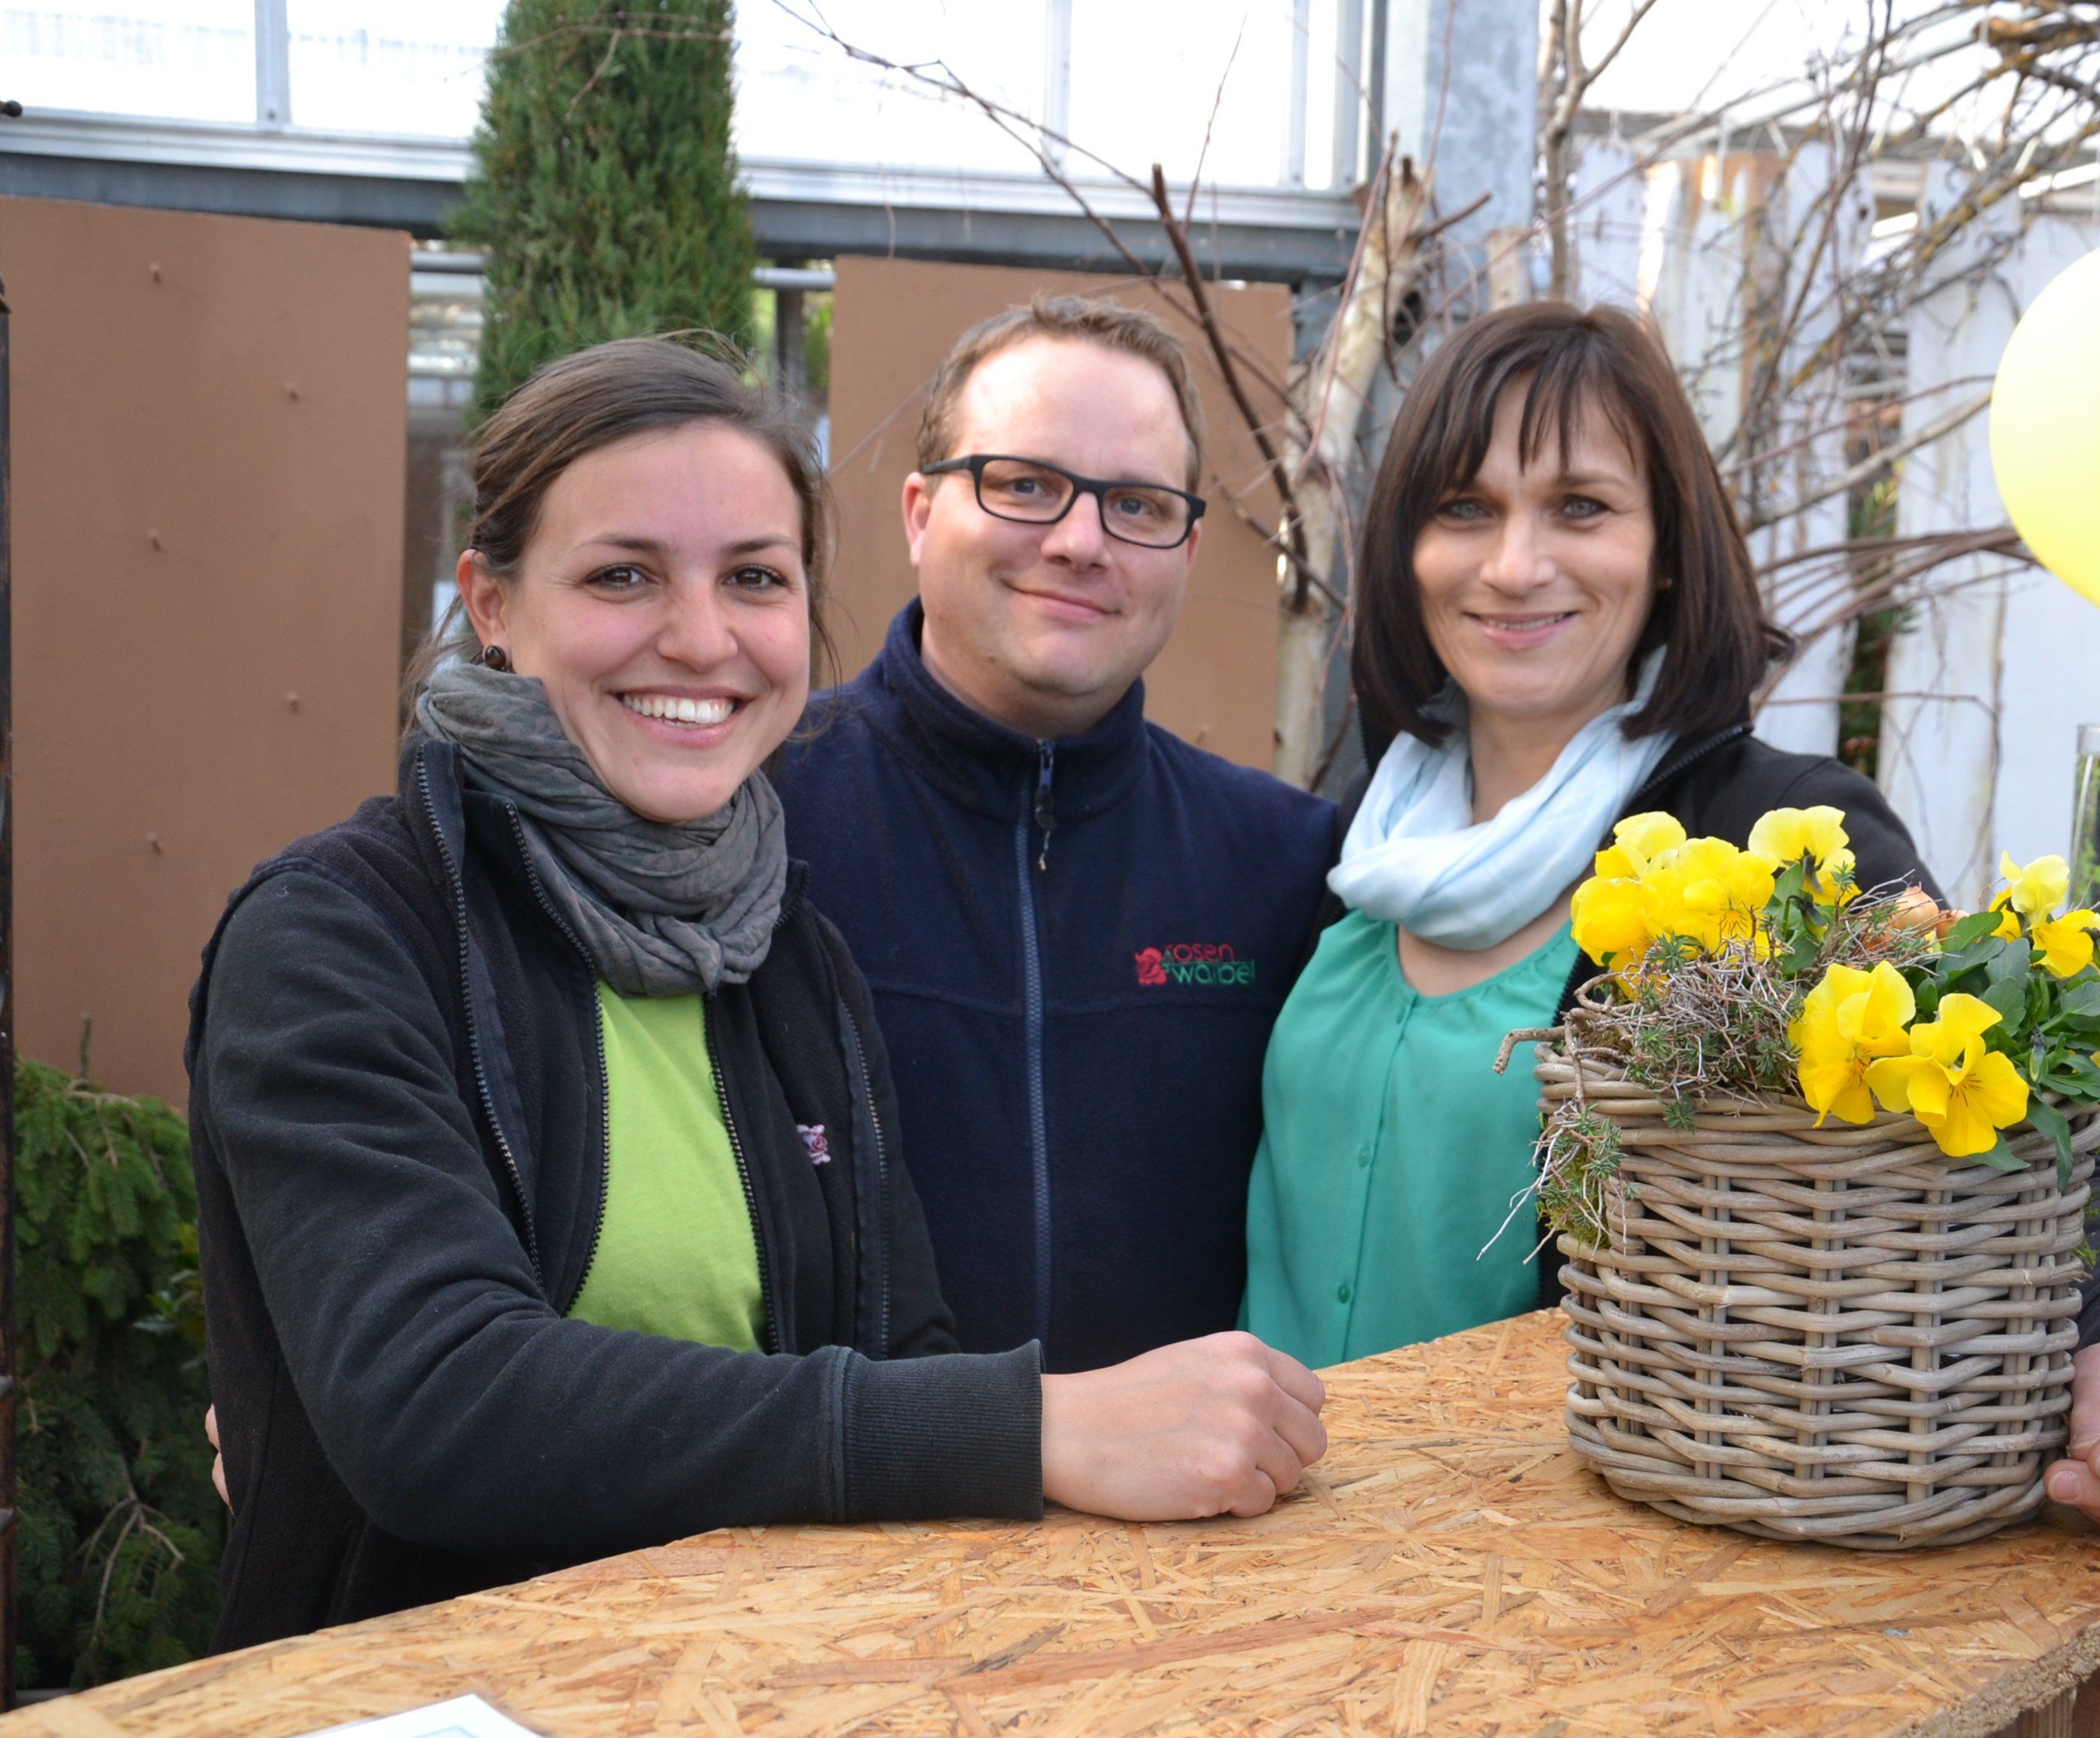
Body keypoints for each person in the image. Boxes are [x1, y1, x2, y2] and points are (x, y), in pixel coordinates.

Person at [189, 337, 1326, 1650]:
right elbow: (439, 1403)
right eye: (623, 574)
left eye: (754, 579)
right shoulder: (342, 934)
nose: (701, 636)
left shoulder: (782, 952)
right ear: (491, 605)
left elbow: (904, 1357)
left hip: (777, 1683)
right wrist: (1031, 1425)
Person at [1241, 300, 2100, 1552]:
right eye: (1464, 507)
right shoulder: (1362, 844)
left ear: (1668, 547)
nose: (1514, 564)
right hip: (1269, 1534)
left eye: (1580, 506)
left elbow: (2004, 1120)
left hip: (1558, 1559)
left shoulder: (1776, 840)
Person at [771, 297, 1337, 1372]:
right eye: (1024, 485)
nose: (1080, 543)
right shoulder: (753, 820)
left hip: (1191, 1532)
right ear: (919, 514)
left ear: (1187, 547)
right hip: (822, 1525)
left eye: (1136, 503)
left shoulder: (1287, 864)